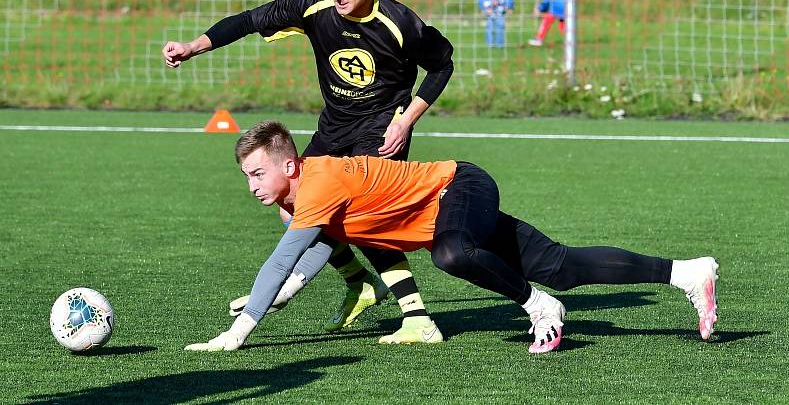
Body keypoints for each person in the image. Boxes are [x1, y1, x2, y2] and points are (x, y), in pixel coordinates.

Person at [185, 121, 719, 354]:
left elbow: (282, 262)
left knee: (451, 253)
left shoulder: (319, 182)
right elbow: (309, 259)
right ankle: (686, 272)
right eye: (247, 177)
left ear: (290, 164)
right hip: (452, 208)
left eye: (259, 173)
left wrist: (238, 331)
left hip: (460, 185)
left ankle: (540, 308)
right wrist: (270, 301)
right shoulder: (296, 205)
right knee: (560, 265)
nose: (252, 186)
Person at [163, 0, 455, 343]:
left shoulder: (401, 23)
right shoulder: (313, 3)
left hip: (380, 127)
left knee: (362, 218)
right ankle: (360, 283)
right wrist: (194, 46)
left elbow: (443, 67)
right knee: (290, 209)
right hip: (334, 126)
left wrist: (406, 120)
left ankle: (418, 319)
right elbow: (248, 20)